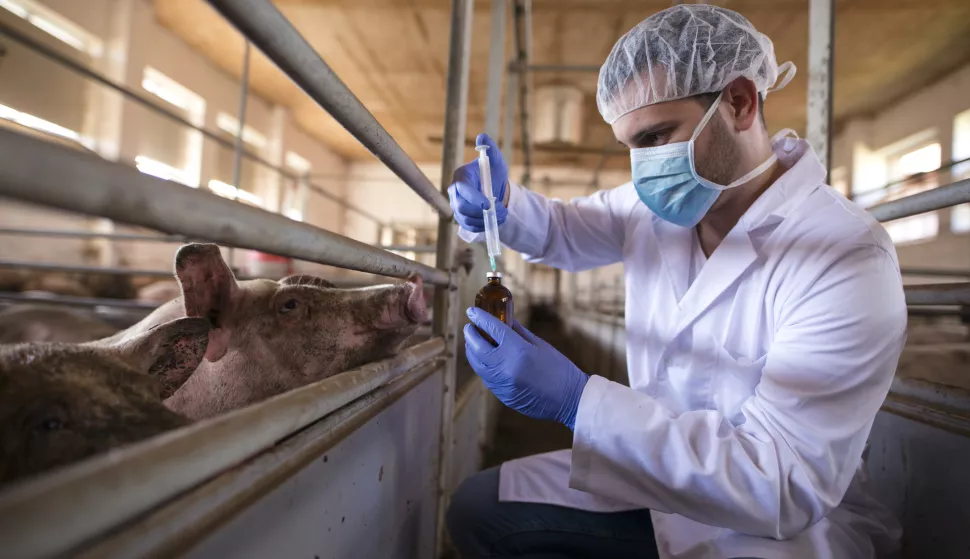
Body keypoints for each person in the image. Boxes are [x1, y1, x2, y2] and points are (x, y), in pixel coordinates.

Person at [445, 4, 906, 559]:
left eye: (656, 137)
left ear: (739, 101)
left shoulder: (845, 254)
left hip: (774, 527)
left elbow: (781, 481)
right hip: (653, 472)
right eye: (630, 146)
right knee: (479, 510)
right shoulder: (657, 207)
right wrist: (502, 206)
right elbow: (564, 228)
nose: (641, 169)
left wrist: (576, 403)